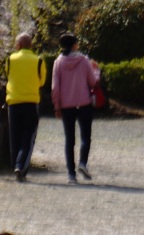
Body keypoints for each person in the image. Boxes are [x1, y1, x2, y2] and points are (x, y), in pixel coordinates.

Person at [51, 32, 100, 184]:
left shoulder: (58, 62)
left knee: (69, 139)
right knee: (86, 136)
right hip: (83, 103)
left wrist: (57, 106)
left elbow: (55, 88)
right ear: (74, 45)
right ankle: (83, 163)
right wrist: (96, 71)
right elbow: (93, 82)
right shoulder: (84, 60)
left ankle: (71, 174)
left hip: (66, 105)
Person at [5, 32, 45, 182]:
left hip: (13, 102)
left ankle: (16, 165)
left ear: (18, 45)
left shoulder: (10, 60)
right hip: (31, 101)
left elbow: (8, 75)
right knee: (28, 135)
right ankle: (21, 166)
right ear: (31, 45)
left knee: (14, 135)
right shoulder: (39, 61)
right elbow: (42, 82)